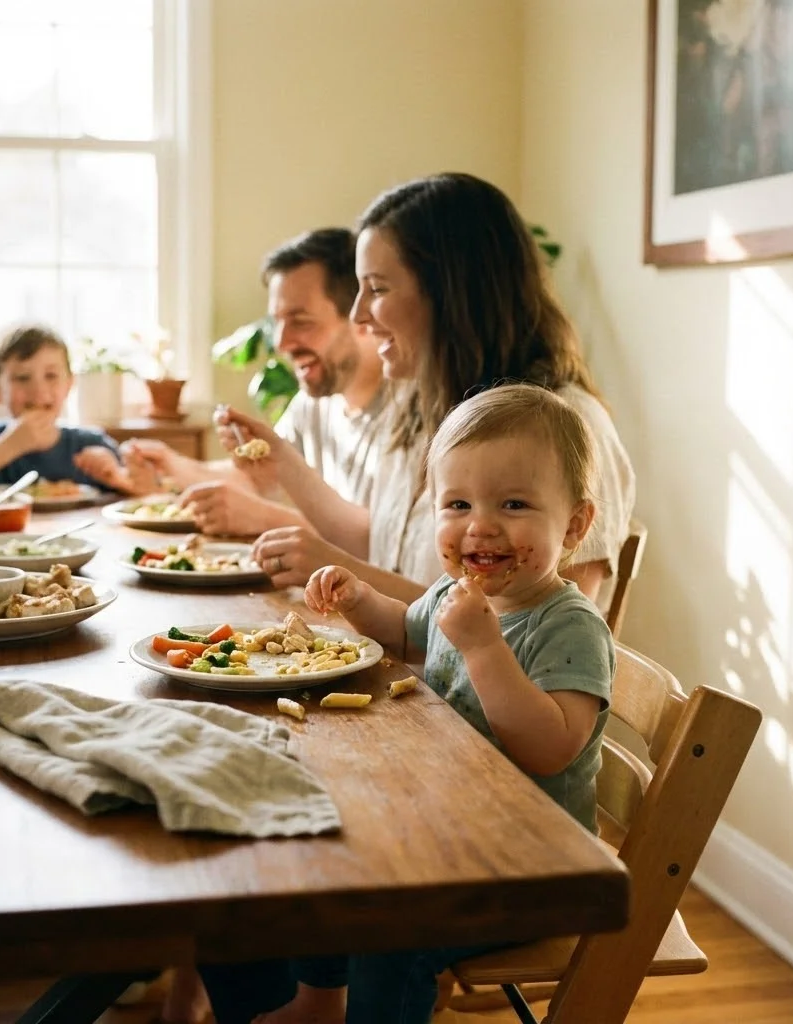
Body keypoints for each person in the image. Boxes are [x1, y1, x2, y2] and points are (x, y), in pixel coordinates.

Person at [200, 383, 616, 1024]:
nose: (480, 525)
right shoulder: (455, 593)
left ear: (576, 525)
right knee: (330, 858)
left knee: (394, 933)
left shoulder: (569, 626)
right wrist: (358, 599)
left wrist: (483, 648)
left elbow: (550, 748)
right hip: (450, 833)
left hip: (536, 867)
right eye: (457, 504)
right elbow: (402, 633)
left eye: (513, 504)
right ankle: (318, 1002)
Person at [216, 173, 635, 611]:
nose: (358, 315)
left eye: (377, 289)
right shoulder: (417, 406)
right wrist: (283, 462)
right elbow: (382, 548)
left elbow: (538, 633)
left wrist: (346, 570)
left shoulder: (568, 426)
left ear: (451, 294)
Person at [113, 228, 389, 537]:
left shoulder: (412, 419)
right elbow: (260, 480)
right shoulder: (312, 405)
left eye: (301, 322)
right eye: (277, 322)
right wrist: (172, 466)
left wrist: (266, 519)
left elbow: (387, 546)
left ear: (363, 317)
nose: (281, 343)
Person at [0, 324, 154, 493]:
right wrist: (11, 445)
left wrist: (117, 476)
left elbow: (145, 490)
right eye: (22, 378)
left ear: (69, 385)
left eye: (51, 376)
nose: (38, 391)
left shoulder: (90, 442)